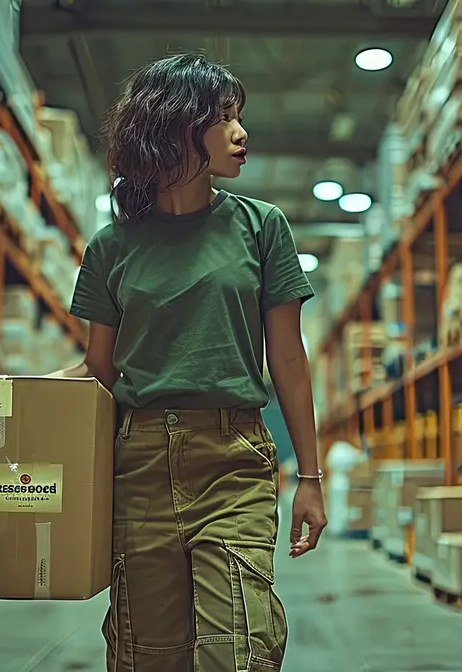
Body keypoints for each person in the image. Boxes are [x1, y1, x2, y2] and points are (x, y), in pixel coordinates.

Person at [51, 53, 326, 671]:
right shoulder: (111, 247)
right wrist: (14, 402)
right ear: (175, 126)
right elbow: (98, 370)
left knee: (241, 649)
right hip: (137, 469)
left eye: (239, 118)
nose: (241, 132)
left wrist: (309, 478)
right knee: (147, 655)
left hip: (233, 463)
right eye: (223, 118)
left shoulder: (261, 228)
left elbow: (287, 357)